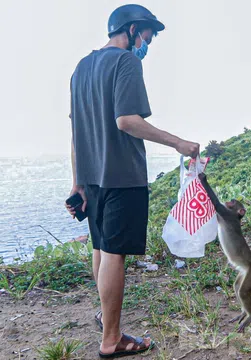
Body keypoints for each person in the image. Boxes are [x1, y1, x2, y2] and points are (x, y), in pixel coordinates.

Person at [65, 4, 200, 358]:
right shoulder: (126, 62)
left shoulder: (81, 68)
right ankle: (112, 340)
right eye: (148, 35)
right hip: (122, 175)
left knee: (100, 249)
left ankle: (105, 317)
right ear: (133, 29)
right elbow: (127, 120)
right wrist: (179, 143)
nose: (148, 43)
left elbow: (76, 130)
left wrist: (78, 182)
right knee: (114, 254)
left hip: (92, 178)